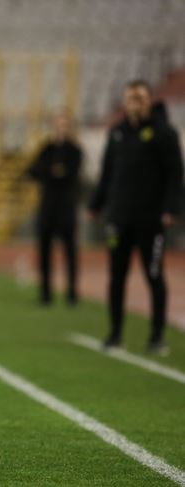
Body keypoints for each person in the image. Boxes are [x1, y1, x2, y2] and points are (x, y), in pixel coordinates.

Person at [88, 80, 183, 355]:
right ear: (125, 101)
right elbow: (107, 174)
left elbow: (174, 175)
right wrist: (96, 204)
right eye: (131, 98)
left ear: (150, 100)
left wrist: (171, 209)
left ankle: (157, 336)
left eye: (141, 98)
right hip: (119, 218)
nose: (135, 103)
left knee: (154, 275)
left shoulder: (164, 133)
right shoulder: (117, 133)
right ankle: (115, 333)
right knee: (116, 276)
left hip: (151, 219)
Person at [27, 111, 82, 306]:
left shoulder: (75, 150)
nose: (61, 128)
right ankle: (45, 294)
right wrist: (52, 171)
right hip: (47, 207)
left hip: (66, 208)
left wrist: (49, 172)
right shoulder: (47, 148)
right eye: (58, 124)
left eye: (65, 124)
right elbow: (32, 171)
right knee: (44, 252)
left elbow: (71, 174)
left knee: (70, 253)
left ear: (69, 127)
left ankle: (72, 293)